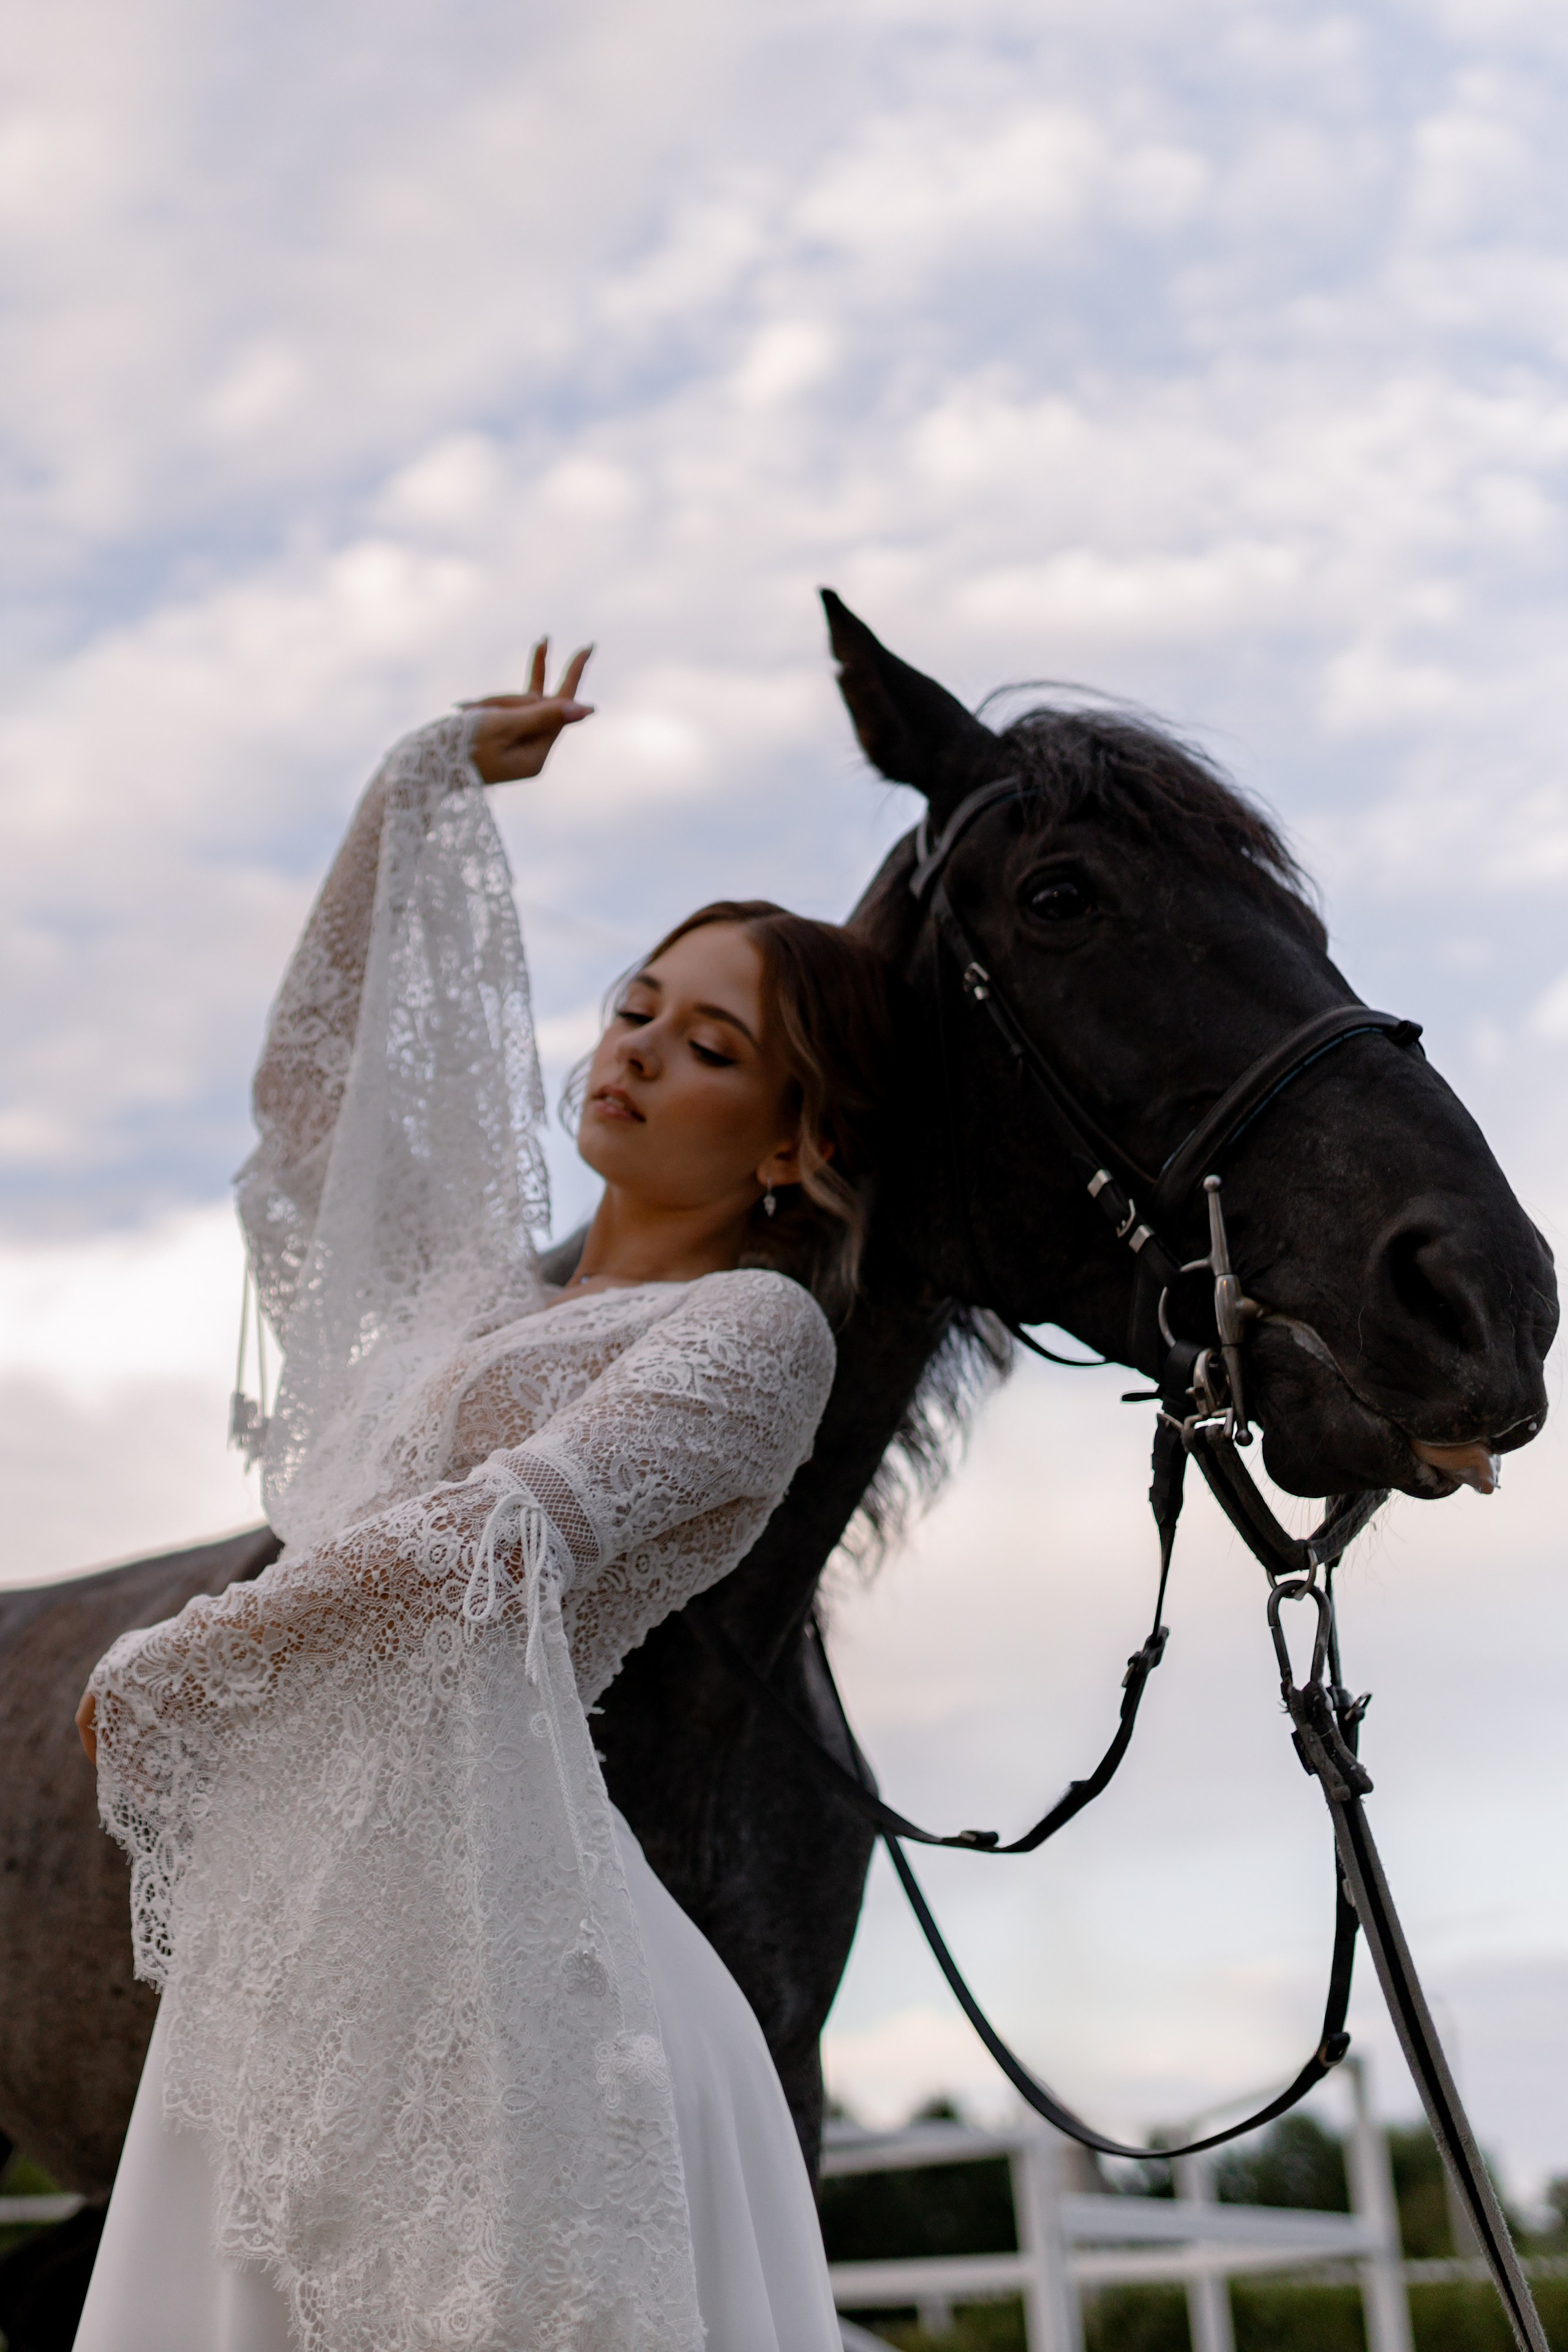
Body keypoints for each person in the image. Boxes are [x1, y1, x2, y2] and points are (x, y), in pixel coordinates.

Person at [72, 643, 892, 2352]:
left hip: (522, 1979)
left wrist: (194, 1656)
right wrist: (413, 791)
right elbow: (311, 1101)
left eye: (712, 1044)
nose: (642, 1053)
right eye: (636, 1009)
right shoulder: (466, 1298)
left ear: (790, 1146)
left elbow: (503, 1542)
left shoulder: (752, 1332)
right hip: (303, 1954)